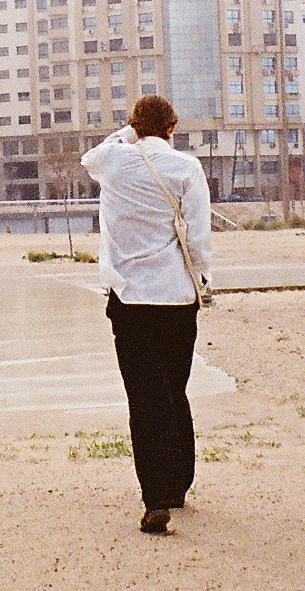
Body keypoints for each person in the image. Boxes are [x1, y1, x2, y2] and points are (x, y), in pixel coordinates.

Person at [81, 94, 213, 535]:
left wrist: (129, 132)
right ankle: (178, 485)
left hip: (131, 298)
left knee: (145, 397)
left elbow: (90, 157)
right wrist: (202, 279)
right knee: (174, 390)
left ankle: (156, 497)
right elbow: (198, 238)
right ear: (172, 127)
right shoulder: (186, 167)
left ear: (135, 125)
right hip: (178, 296)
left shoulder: (114, 162)